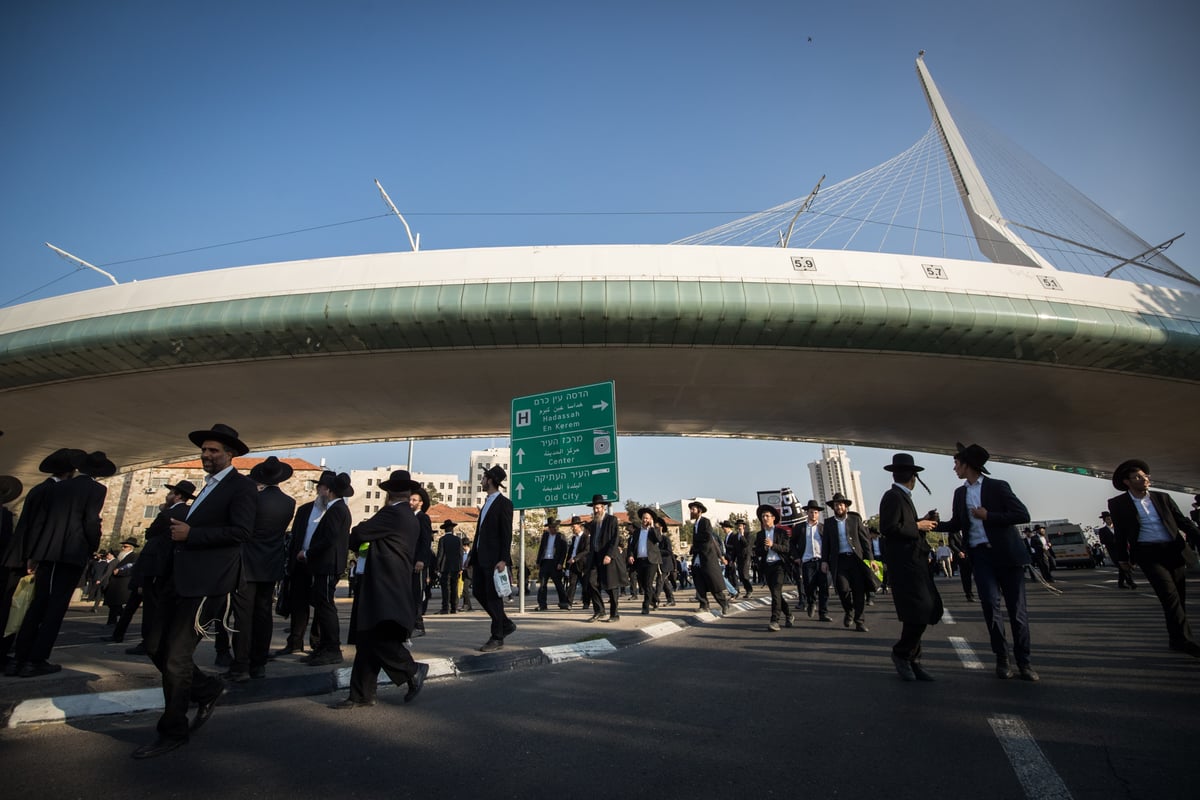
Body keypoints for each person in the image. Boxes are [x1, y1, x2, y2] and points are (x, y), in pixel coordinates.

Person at [133, 424, 257, 759]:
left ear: (230, 454)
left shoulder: (241, 488)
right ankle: (206, 688)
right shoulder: (206, 488)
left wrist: (191, 535)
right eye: (204, 450)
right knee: (155, 645)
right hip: (179, 579)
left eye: (213, 450)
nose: (206, 455)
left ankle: (172, 731)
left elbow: (241, 532)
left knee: (176, 656)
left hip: (208, 583)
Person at [935, 442, 1038, 681]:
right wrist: (931, 523)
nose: (954, 469)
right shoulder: (960, 493)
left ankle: (1025, 662)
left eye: (956, 464)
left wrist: (988, 516)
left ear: (967, 465)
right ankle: (1002, 659)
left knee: (1017, 612)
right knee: (991, 607)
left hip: (1008, 556)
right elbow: (956, 524)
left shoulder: (998, 487)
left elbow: (1022, 515)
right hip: (981, 557)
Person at [10, 449, 113, 678]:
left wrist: (34, 554)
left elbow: (41, 522)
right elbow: (90, 521)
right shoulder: (96, 489)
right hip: (70, 553)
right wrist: (93, 544)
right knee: (55, 608)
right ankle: (37, 659)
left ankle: (21, 656)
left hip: (47, 552)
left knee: (38, 605)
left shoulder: (58, 488)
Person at [331, 470, 429, 709]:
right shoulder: (409, 516)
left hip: (384, 582)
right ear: (408, 493)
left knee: (376, 635)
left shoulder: (391, 513)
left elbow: (359, 534)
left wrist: (364, 530)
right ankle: (361, 694)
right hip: (391, 582)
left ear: (389, 493)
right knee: (367, 638)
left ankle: (412, 670)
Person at [1107, 459, 1200, 657]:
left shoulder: (1162, 498)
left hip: (1173, 551)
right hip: (1148, 554)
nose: (1144, 479)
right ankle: (1186, 641)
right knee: (1169, 595)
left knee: (1178, 597)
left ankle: (1175, 639)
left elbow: (1181, 521)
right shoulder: (1118, 504)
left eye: (1145, 476)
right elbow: (1121, 533)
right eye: (1138, 477)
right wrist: (1123, 559)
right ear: (1127, 482)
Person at [226, 457, 295, 681]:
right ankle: (259, 663)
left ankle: (241, 664)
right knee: (264, 615)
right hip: (271, 563)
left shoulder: (252, 499)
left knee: (243, 617)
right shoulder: (288, 502)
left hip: (247, 563)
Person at [879, 453, 943, 681]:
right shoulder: (893, 496)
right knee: (920, 610)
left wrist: (923, 521)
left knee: (919, 612)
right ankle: (901, 653)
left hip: (915, 561)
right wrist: (918, 525)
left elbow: (901, 526)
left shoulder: (903, 497)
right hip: (905, 565)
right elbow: (888, 528)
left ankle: (914, 660)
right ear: (913, 477)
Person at [284, 470, 353, 666]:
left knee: (325, 605)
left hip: (327, 564)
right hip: (322, 564)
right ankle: (324, 647)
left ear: (328, 490)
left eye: (322, 487)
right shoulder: (336, 508)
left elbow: (328, 539)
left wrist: (307, 553)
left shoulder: (336, 509)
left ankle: (331, 647)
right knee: (320, 604)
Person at [119, 480, 195, 655]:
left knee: (152, 606)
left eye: (170, 493)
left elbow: (150, 534)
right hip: (177, 566)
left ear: (177, 496)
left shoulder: (167, 514)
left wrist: (163, 512)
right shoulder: (190, 513)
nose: (167, 496)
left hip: (157, 565)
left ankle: (149, 642)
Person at [467, 465, 514, 651]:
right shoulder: (486, 502)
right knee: (478, 591)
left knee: (494, 597)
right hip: (480, 557)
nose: (482, 480)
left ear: (491, 480)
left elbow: (506, 534)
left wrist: (503, 559)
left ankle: (497, 636)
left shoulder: (504, 504)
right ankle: (506, 623)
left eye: (484, 477)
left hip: (494, 559)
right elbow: (479, 532)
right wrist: (471, 555)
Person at [821, 492, 874, 632]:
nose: (838, 507)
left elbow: (865, 541)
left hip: (856, 560)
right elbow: (825, 544)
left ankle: (859, 621)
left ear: (846, 506)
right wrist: (824, 561)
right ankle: (848, 610)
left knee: (859, 590)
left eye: (841, 504)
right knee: (843, 589)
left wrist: (871, 559)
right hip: (839, 561)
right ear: (833, 507)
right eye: (836, 505)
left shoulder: (854, 520)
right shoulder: (829, 523)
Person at [586, 495, 626, 622]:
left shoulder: (612, 520)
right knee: (592, 582)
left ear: (603, 507)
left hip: (609, 557)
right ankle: (599, 611)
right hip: (595, 557)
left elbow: (615, 539)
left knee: (612, 586)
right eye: (594, 508)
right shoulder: (593, 523)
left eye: (598, 508)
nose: (596, 510)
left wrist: (609, 555)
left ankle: (615, 614)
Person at [754, 504, 793, 631]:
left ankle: (774, 620)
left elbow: (786, 549)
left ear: (773, 518)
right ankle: (789, 614)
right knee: (776, 594)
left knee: (776, 592)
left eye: (767, 516)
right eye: (762, 516)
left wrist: (773, 545)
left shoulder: (781, 532)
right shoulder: (760, 535)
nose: (764, 518)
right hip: (767, 567)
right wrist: (764, 549)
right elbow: (757, 551)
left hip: (779, 566)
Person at [791, 499, 831, 621]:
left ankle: (823, 613)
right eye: (811, 512)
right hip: (807, 562)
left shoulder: (823, 528)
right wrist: (796, 557)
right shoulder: (800, 528)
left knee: (824, 588)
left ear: (818, 514)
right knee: (809, 586)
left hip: (822, 561)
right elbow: (791, 543)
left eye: (815, 512)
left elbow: (829, 545)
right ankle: (811, 602)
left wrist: (827, 560)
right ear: (806, 513)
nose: (813, 514)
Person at [687, 501, 730, 614]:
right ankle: (703, 605)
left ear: (699, 511)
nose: (691, 511)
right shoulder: (695, 524)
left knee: (713, 582)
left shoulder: (705, 522)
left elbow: (707, 537)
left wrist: (697, 544)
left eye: (693, 509)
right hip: (697, 557)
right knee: (699, 582)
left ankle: (724, 604)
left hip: (707, 556)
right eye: (690, 509)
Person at [625, 508, 662, 615]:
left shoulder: (653, 530)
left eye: (647, 518)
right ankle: (655, 600)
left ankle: (645, 606)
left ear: (650, 520)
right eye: (643, 518)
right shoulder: (637, 532)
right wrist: (631, 555)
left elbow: (659, 539)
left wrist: (653, 527)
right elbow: (631, 546)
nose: (645, 520)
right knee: (644, 584)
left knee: (648, 583)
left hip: (652, 561)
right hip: (640, 561)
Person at [409, 486, 434, 636]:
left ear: (421, 503)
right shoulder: (410, 517)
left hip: (418, 563)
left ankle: (418, 625)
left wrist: (421, 560)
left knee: (417, 593)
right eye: (410, 499)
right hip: (409, 561)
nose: (410, 502)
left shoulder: (423, 518)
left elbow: (426, 541)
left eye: (414, 500)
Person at [535, 517, 570, 610]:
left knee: (558, 584)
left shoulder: (561, 536)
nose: (553, 529)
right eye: (551, 527)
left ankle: (563, 602)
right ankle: (542, 604)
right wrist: (538, 561)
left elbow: (564, 551)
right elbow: (541, 549)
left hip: (555, 563)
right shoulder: (545, 536)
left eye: (554, 527)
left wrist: (560, 563)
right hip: (545, 561)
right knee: (542, 584)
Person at [102, 540, 139, 625]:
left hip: (123, 583)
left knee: (117, 604)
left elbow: (133, 568)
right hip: (114, 583)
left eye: (125, 547)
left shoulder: (134, 556)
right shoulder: (119, 556)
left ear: (130, 548)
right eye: (122, 546)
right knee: (113, 604)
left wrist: (120, 572)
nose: (123, 548)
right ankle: (112, 621)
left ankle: (115, 622)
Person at [1096, 511, 1136, 589]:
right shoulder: (1102, 530)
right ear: (1104, 520)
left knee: (1124, 566)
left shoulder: (1118, 528)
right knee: (1121, 566)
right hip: (1113, 551)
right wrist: (1112, 541)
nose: (1109, 520)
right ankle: (1130, 582)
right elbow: (1102, 541)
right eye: (1107, 519)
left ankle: (1120, 583)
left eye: (1110, 518)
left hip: (1122, 549)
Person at [435, 520, 462, 614]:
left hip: (445, 567)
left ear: (445, 530)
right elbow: (460, 554)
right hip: (455, 567)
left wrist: (437, 566)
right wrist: (460, 567)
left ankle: (445, 607)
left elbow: (440, 554)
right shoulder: (458, 540)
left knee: (445, 588)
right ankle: (454, 607)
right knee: (454, 587)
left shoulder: (442, 540)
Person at [563, 515, 590, 610]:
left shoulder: (586, 537)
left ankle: (586, 602)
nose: (573, 528)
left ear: (579, 526)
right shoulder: (574, 538)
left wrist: (576, 558)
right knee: (572, 584)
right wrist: (567, 564)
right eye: (572, 527)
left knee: (585, 585)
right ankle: (569, 603)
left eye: (574, 527)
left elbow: (586, 550)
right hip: (573, 564)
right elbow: (571, 551)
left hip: (582, 564)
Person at [727, 519, 754, 600]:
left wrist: (742, 535)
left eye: (741, 525)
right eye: (738, 525)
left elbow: (746, 544)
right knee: (741, 576)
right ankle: (747, 590)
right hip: (739, 557)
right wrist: (732, 560)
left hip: (746, 557)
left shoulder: (748, 534)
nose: (739, 527)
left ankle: (749, 590)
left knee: (745, 574)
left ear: (744, 526)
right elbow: (734, 549)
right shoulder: (735, 537)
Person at [947, 528, 975, 601]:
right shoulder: (953, 532)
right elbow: (951, 544)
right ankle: (969, 594)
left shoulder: (971, 529)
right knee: (966, 577)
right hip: (962, 557)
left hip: (974, 554)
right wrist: (959, 552)